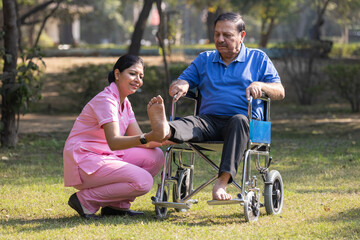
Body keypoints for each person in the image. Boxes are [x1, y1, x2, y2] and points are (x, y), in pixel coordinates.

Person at [145, 12, 285, 201]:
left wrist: (261, 86)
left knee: (239, 121)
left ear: (241, 36)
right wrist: (182, 85)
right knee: (189, 122)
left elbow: (280, 91)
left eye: (227, 35)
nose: (220, 39)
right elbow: (179, 82)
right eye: (217, 34)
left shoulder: (258, 58)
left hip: (242, 124)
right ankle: (165, 130)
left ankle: (221, 183)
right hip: (208, 122)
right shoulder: (205, 59)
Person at [63, 54, 167, 219]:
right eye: (132, 74)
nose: (137, 79)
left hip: (105, 156)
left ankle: (116, 206)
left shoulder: (125, 102)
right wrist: (149, 136)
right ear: (117, 74)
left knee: (155, 156)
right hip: (85, 161)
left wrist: (166, 136)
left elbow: (140, 139)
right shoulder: (106, 100)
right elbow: (114, 142)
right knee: (143, 182)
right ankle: (84, 200)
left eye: (141, 76)